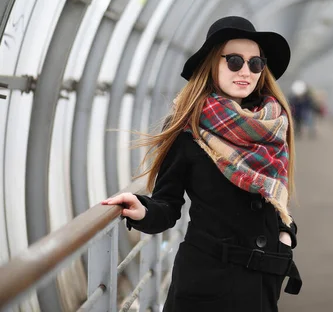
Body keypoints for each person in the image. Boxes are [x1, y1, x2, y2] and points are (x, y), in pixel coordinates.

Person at [102, 16, 301, 311]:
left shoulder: (272, 124)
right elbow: (167, 207)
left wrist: (286, 236)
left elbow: (276, 202)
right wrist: (142, 210)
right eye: (234, 61)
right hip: (207, 283)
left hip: (261, 282)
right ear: (212, 64)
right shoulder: (188, 131)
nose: (246, 71)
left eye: (255, 63)